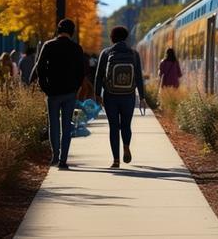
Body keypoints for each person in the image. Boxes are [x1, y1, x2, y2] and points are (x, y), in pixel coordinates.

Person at [33, 19, 85, 170]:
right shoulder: (76, 48)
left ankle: (55, 155)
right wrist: (76, 88)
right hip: (69, 92)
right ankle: (63, 159)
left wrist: (45, 88)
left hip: (53, 92)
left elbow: (40, 68)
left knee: (54, 124)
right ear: (72, 32)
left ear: (58, 30)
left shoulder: (48, 45)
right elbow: (81, 72)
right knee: (66, 125)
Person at [95, 26, 146, 168]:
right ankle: (126, 145)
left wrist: (97, 94)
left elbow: (98, 76)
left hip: (110, 96)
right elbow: (138, 77)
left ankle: (116, 160)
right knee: (126, 125)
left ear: (112, 38)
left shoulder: (106, 53)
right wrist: (142, 97)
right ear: (126, 38)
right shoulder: (134, 54)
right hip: (128, 96)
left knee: (113, 127)